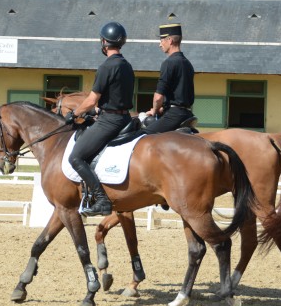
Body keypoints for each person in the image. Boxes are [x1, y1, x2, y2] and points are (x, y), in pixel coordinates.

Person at [65, 21, 134, 216]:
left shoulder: (106, 67)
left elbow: (91, 99)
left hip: (110, 121)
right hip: (123, 117)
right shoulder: (126, 65)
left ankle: (101, 200)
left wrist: (74, 114)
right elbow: (116, 97)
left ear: (104, 42)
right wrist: (96, 111)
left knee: (76, 157)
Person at [144, 23, 195, 134]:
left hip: (174, 116)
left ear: (170, 40)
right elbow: (179, 97)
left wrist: (155, 111)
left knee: (141, 136)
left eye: (162, 40)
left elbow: (158, 98)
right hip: (187, 114)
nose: (160, 44)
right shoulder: (188, 64)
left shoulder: (169, 63)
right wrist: (162, 109)